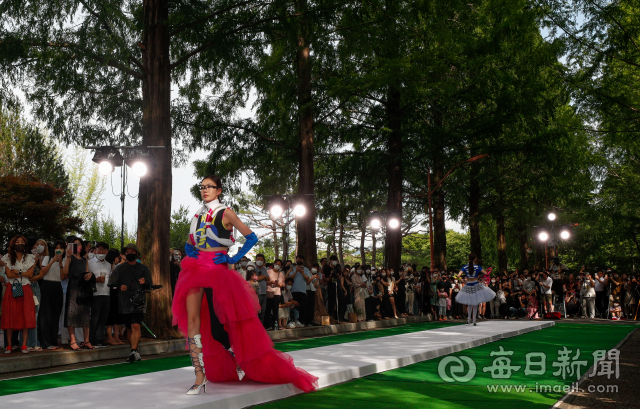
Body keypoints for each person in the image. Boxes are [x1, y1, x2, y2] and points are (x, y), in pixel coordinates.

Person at [171, 175, 317, 395]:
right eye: (202, 187)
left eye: (209, 187)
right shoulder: (198, 214)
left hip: (217, 271)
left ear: (219, 190)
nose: (205, 190)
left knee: (219, 325)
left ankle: (238, 357)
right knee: (193, 322)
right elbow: (191, 240)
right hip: (194, 270)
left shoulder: (225, 212)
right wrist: (188, 248)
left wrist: (232, 258)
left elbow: (251, 237)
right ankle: (200, 376)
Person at [107, 243, 152, 361]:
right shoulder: (119, 268)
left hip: (139, 301)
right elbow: (111, 284)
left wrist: (144, 283)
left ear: (136, 253)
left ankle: (134, 351)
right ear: (124, 254)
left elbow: (150, 285)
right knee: (129, 327)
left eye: (132, 252)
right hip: (124, 302)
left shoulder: (144, 268)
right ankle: (133, 350)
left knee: (136, 324)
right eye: (127, 252)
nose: (130, 254)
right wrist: (119, 286)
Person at [1, 235, 37, 354]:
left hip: (26, 288)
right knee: (10, 316)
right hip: (12, 288)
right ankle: (9, 346)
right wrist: (23, 273)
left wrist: (18, 271)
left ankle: (24, 345)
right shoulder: (7, 257)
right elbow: (9, 275)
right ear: (13, 244)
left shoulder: (30, 257)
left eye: (22, 241)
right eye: (17, 242)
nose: (20, 243)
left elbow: (30, 275)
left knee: (25, 316)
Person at [63, 236, 94, 351]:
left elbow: (86, 272)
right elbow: (65, 272)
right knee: (71, 313)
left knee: (86, 313)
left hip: (84, 288)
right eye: (75, 244)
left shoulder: (85, 260)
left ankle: (86, 340)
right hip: (73, 287)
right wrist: (67, 257)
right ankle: (73, 341)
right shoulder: (70, 258)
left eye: (79, 244)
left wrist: (90, 274)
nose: (78, 247)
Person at [38, 240, 67, 350]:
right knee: (46, 316)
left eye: (61, 248)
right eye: (56, 248)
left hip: (57, 287)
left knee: (56, 315)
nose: (58, 250)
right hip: (46, 286)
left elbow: (63, 277)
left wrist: (60, 263)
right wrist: (52, 261)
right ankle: (45, 342)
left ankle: (53, 341)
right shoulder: (47, 258)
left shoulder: (64, 261)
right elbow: (43, 272)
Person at [455, 254, 496, 326]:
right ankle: (474, 320)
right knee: (475, 303)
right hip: (476, 284)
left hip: (468, 284)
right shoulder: (477, 266)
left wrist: (463, 281)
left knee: (469, 303)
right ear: (474, 259)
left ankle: (468, 319)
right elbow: (486, 273)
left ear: (468, 259)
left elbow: (458, 275)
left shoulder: (465, 266)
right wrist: (482, 280)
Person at [26, 239, 48, 351]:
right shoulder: (25, 257)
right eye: (35, 245)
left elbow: (41, 274)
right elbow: (27, 273)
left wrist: (37, 260)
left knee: (35, 315)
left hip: (36, 287)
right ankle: (26, 343)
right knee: (27, 316)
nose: (37, 247)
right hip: (26, 287)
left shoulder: (37, 258)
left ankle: (35, 342)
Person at [89, 242, 111, 348]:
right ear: (95, 250)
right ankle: (91, 338)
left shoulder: (108, 264)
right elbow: (85, 278)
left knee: (103, 318)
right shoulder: (89, 263)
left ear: (106, 252)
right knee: (94, 318)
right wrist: (95, 279)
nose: (101, 252)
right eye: (99, 249)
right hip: (95, 294)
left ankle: (98, 338)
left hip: (106, 293)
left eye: (104, 250)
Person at [104, 248, 125, 346]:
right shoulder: (107, 266)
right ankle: (110, 337)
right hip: (108, 293)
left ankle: (116, 337)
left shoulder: (117, 267)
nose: (118, 259)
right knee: (109, 316)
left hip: (117, 293)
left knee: (116, 317)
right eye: (117, 257)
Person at [288, 255, 312, 327]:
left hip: (303, 291)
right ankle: (294, 320)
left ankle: (302, 321)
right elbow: (290, 278)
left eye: (301, 259)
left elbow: (307, 278)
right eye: (298, 259)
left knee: (303, 307)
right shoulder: (293, 268)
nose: (299, 260)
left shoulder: (306, 269)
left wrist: (302, 272)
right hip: (293, 291)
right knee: (294, 306)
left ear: (303, 261)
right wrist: (295, 271)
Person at [265, 258, 285, 330]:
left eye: (279, 265)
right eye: (276, 264)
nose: (277, 266)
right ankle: (267, 325)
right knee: (267, 309)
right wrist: (271, 282)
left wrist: (278, 284)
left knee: (275, 310)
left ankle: (275, 325)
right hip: (269, 292)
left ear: (281, 266)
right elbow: (264, 281)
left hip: (277, 293)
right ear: (273, 264)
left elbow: (283, 285)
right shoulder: (268, 272)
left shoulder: (281, 274)